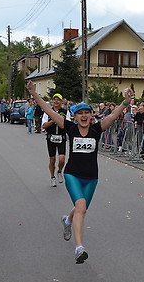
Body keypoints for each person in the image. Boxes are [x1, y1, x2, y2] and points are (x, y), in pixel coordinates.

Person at [26, 80, 134, 264]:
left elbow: (114, 115)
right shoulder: (69, 127)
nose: (84, 116)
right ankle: (79, 248)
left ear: (91, 115)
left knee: (80, 209)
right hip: (72, 174)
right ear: (74, 116)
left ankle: (68, 221)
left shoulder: (97, 129)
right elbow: (48, 110)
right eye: (80, 113)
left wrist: (126, 101)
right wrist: (34, 93)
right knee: (81, 207)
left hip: (91, 177)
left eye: (87, 113)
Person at [42, 93, 67, 187]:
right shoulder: (48, 112)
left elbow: (68, 124)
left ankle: (59, 171)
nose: (56, 101)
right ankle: (52, 177)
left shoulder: (65, 112)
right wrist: (53, 120)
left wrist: (60, 120)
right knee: (52, 160)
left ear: (61, 102)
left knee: (62, 159)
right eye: (55, 99)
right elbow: (43, 126)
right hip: (51, 138)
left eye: (58, 100)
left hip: (61, 137)